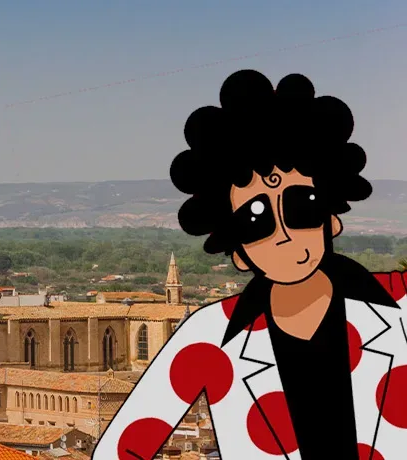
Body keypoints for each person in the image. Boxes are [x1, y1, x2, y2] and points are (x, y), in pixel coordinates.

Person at [91, 69, 407, 459]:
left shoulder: (402, 306)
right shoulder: (207, 338)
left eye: (301, 206)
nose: (284, 232)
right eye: (255, 221)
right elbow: (120, 449)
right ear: (238, 251)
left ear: (332, 219)